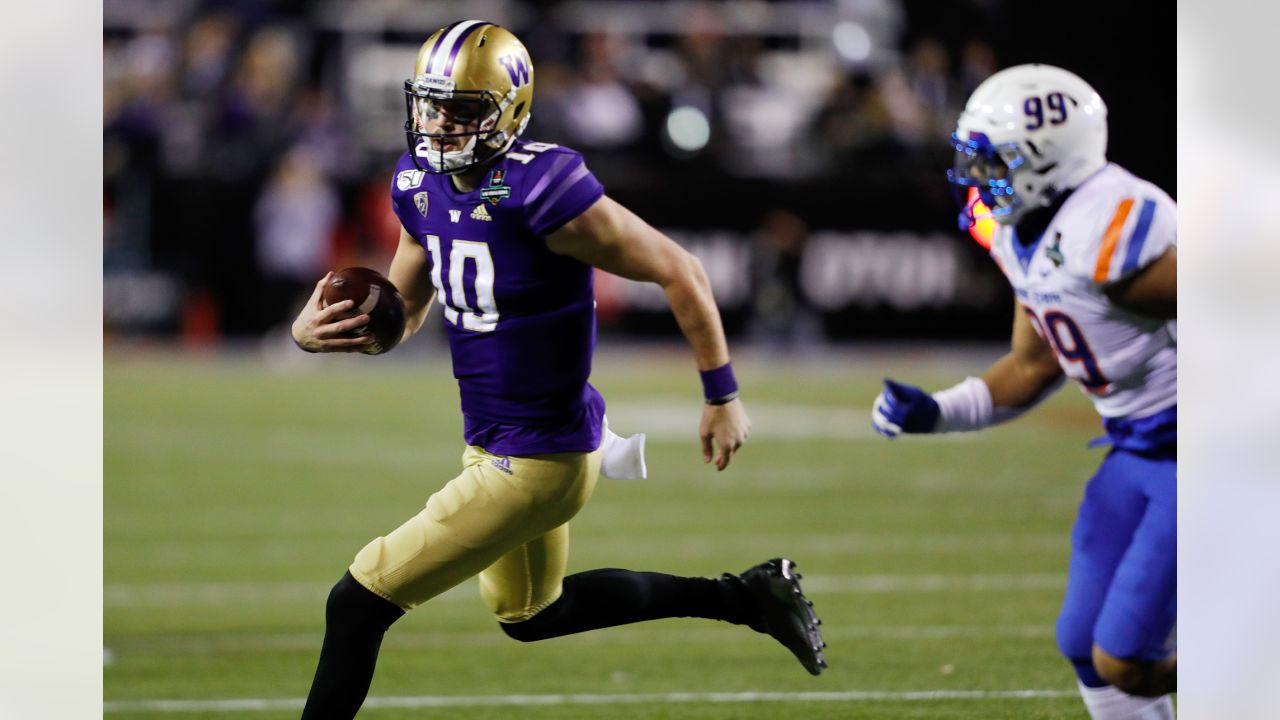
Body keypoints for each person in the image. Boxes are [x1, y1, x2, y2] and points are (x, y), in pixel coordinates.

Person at [290, 20, 826, 718]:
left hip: (536, 459)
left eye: (462, 109)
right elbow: (406, 316)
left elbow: (680, 270)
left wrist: (721, 395)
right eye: (429, 104)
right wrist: (317, 333)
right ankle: (747, 596)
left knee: (357, 601)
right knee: (532, 613)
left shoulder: (543, 189)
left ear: (507, 111)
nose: (440, 124)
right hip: (496, 439)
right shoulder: (417, 182)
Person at [870, 64, 1176, 720]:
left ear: (1047, 160)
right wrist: (938, 412)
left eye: (993, 160)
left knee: (1127, 660)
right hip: (1135, 449)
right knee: (1084, 645)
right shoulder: (1019, 232)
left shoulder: (1111, 224)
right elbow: (1032, 366)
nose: (978, 177)